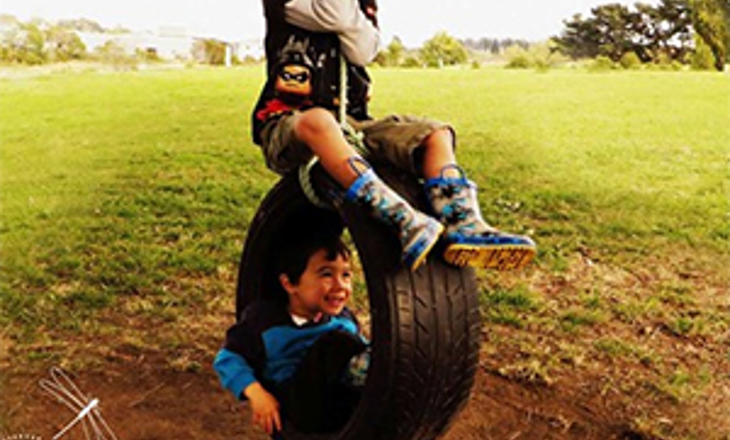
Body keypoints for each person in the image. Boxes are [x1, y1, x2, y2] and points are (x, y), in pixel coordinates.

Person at [252, 0, 536, 271]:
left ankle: (463, 223)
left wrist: (354, 23)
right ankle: (400, 216)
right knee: (320, 121)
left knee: (435, 134)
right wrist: (352, 24)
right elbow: (335, 13)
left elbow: (364, 51)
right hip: (289, 122)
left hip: (353, 123)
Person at [214, 233, 368, 437]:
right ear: (290, 284)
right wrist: (257, 394)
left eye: (346, 275)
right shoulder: (264, 322)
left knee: (354, 346)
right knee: (337, 343)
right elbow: (227, 360)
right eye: (326, 274)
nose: (340, 286)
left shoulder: (345, 319)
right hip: (295, 410)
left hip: (338, 404)